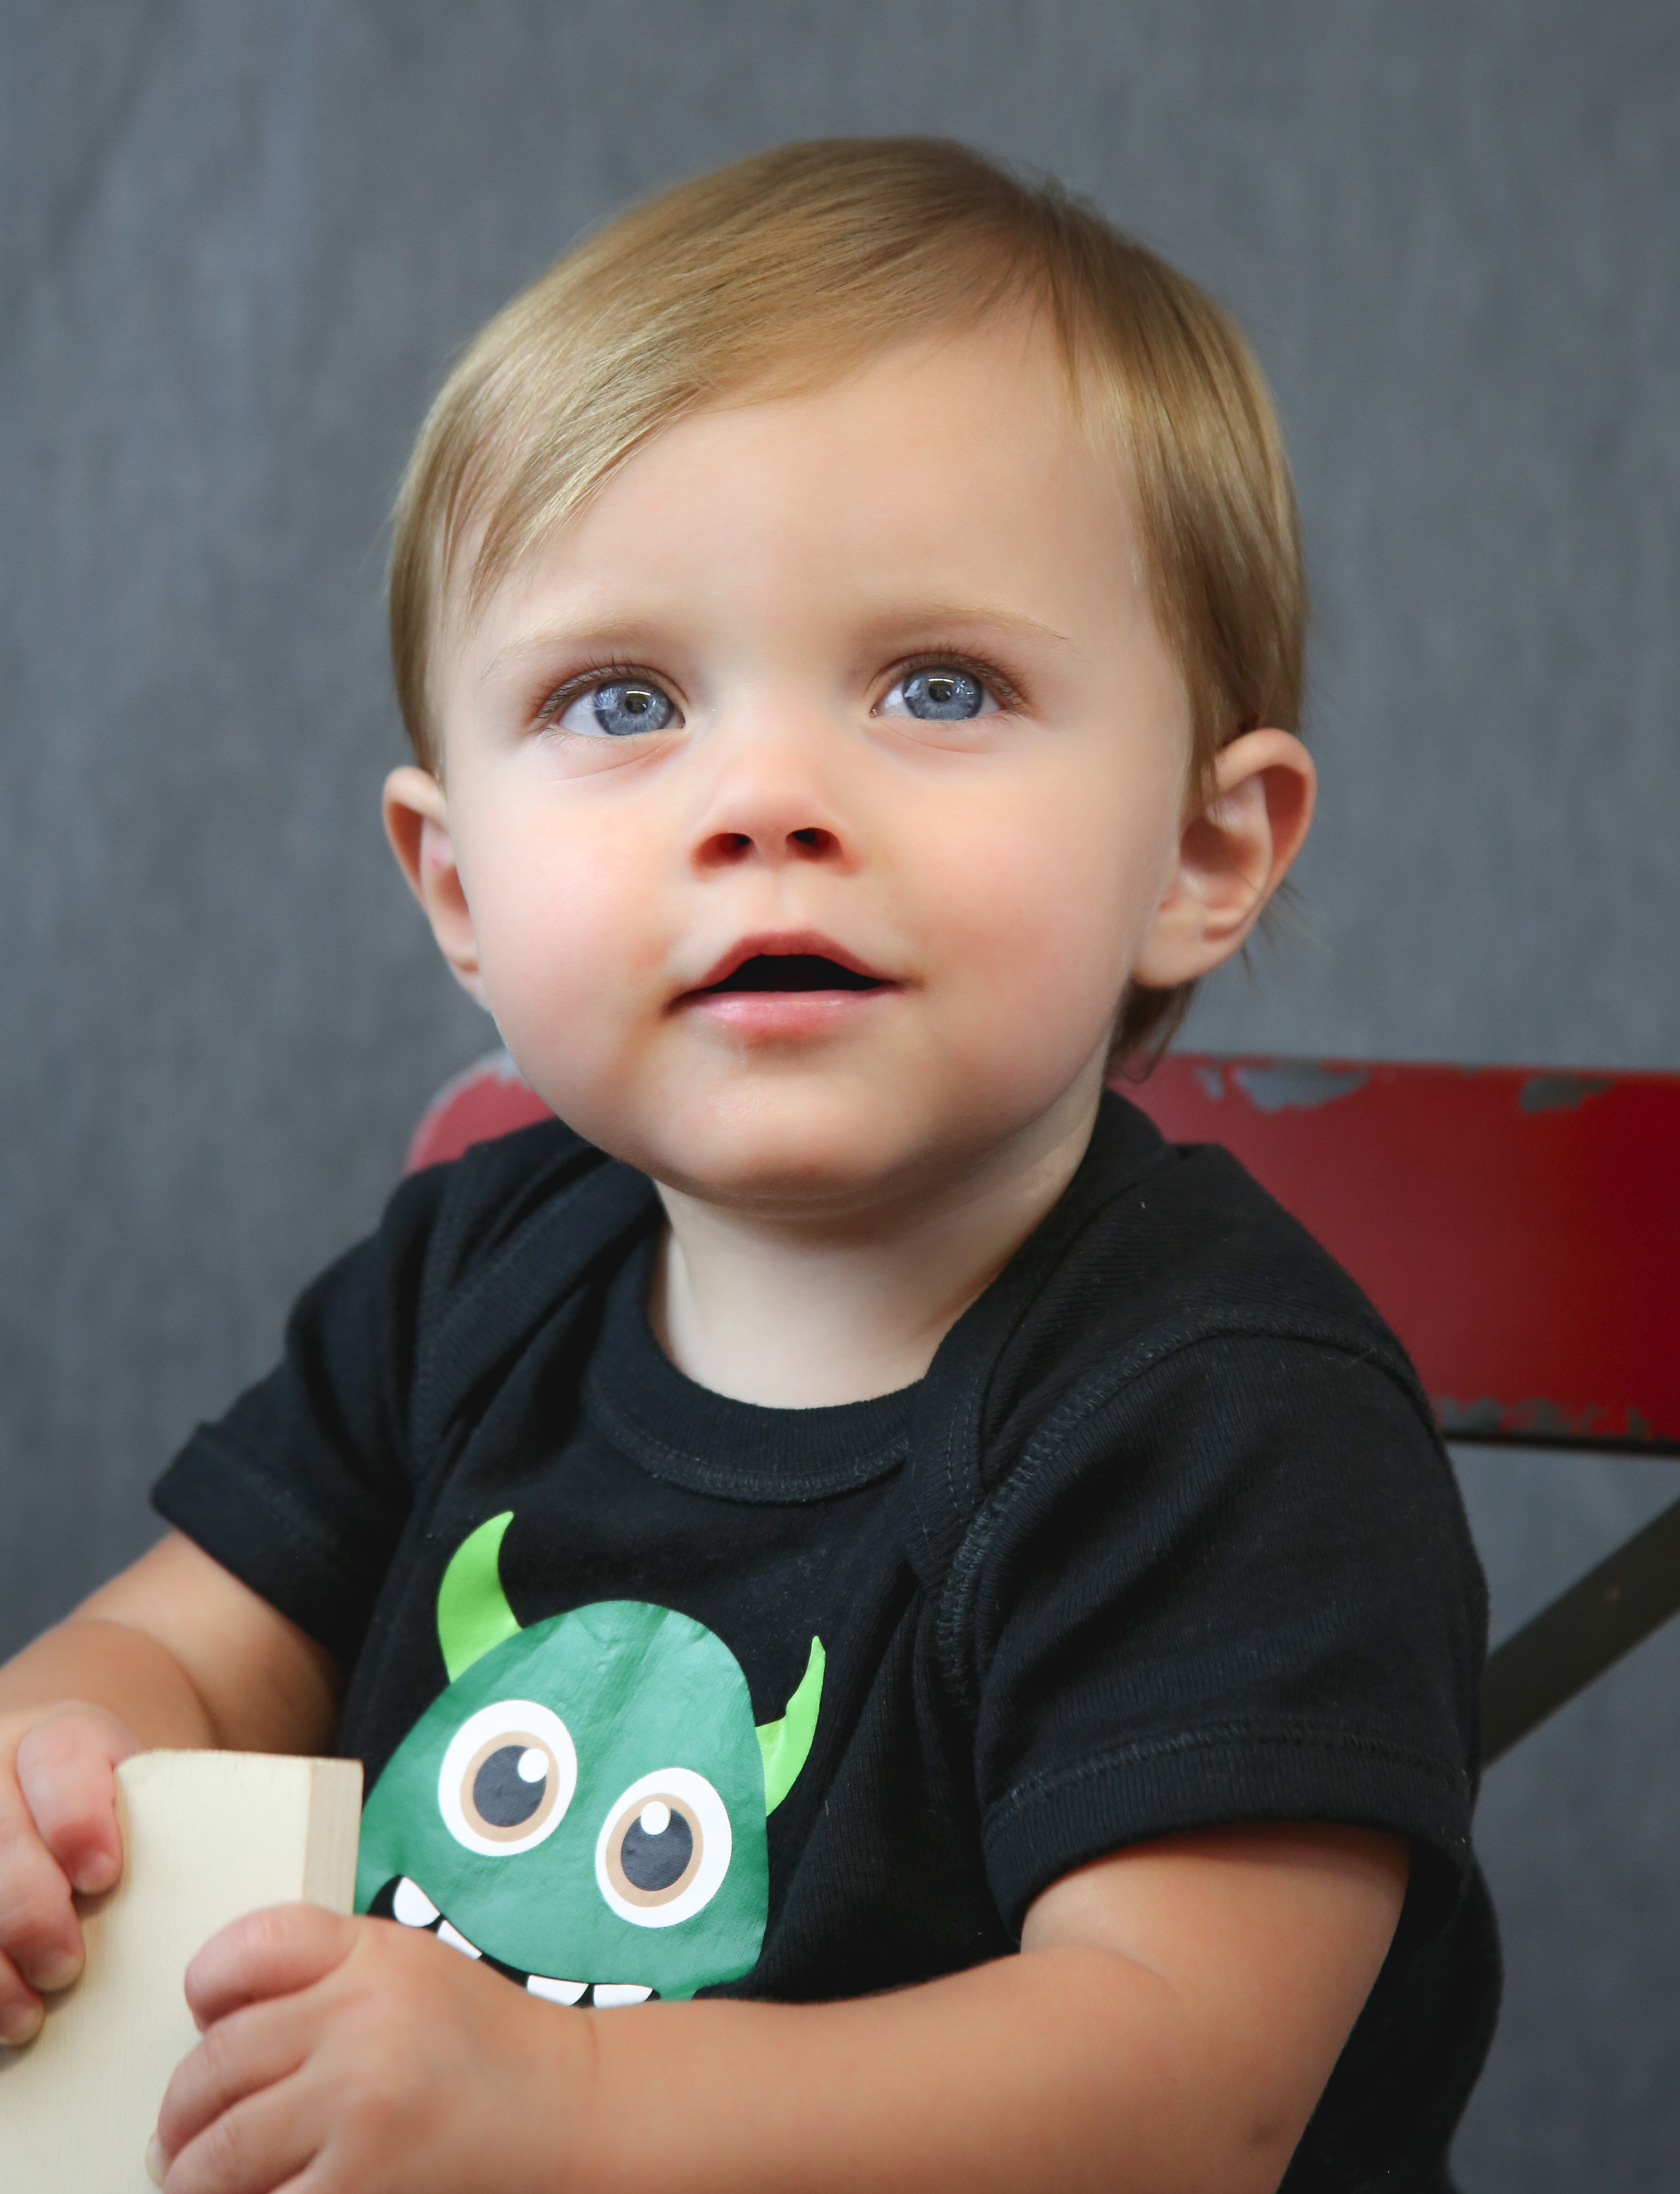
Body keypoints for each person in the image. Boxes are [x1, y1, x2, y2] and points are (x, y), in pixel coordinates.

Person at [0, 139, 1497, 2193]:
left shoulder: (1226, 1420)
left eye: (941, 687)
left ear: (1197, 853)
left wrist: (568, 2114)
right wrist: (58, 1765)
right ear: (459, 887)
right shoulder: (477, 1270)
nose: (768, 798)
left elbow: (1177, 2089)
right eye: (621, 699)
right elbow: (182, 1653)